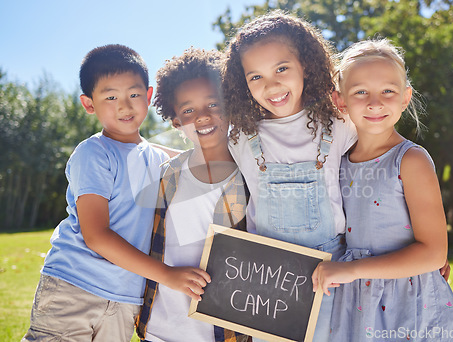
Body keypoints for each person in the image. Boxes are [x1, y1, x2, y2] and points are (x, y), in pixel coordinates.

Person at [22, 44, 183, 342]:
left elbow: (199, 161)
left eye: (134, 95)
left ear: (148, 96)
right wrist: (166, 275)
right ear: (89, 104)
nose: (124, 105)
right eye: (110, 97)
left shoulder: (158, 160)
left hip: (124, 298)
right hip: (74, 288)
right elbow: (96, 235)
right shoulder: (94, 153)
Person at [312, 38, 453, 341]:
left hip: (408, 304)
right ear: (339, 100)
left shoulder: (410, 160)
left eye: (388, 91)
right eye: (360, 92)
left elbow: (435, 253)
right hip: (358, 303)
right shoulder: (338, 162)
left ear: (405, 97)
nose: (375, 102)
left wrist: (352, 270)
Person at [222, 10, 357, 341]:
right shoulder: (239, 136)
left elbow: (377, 170)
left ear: (306, 66)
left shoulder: (340, 123)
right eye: (256, 77)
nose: (272, 85)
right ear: (243, 83)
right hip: (270, 278)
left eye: (282, 69)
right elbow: (201, 167)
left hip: (331, 269)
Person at [135, 48, 251, 342]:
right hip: (161, 327)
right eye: (188, 110)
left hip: (225, 332)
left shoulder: (252, 174)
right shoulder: (166, 175)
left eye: (213, 103)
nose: (202, 116)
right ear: (175, 121)